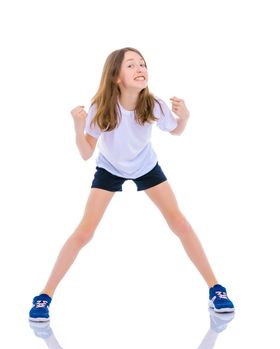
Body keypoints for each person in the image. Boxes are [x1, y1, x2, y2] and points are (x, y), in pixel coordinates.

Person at [29, 47, 234, 322]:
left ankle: (216, 289)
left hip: (145, 166)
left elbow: (176, 130)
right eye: (131, 65)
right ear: (115, 76)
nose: (140, 68)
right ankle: (45, 296)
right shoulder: (101, 107)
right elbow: (86, 153)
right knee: (84, 233)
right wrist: (78, 129)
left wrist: (184, 116)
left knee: (180, 223)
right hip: (109, 168)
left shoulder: (154, 104)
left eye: (142, 63)